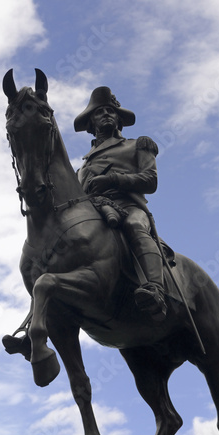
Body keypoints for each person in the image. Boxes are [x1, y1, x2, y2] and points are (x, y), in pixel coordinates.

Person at [74, 86, 166, 322]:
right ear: (91, 123)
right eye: (99, 112)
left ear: (118, 119)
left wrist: (113, 179)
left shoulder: (138, 145)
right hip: (95, 212)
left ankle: (156, 290)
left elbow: (150, 180)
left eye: (110, 111)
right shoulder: (81, 168)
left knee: (134, 225)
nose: (106, 114)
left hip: (130, 208)